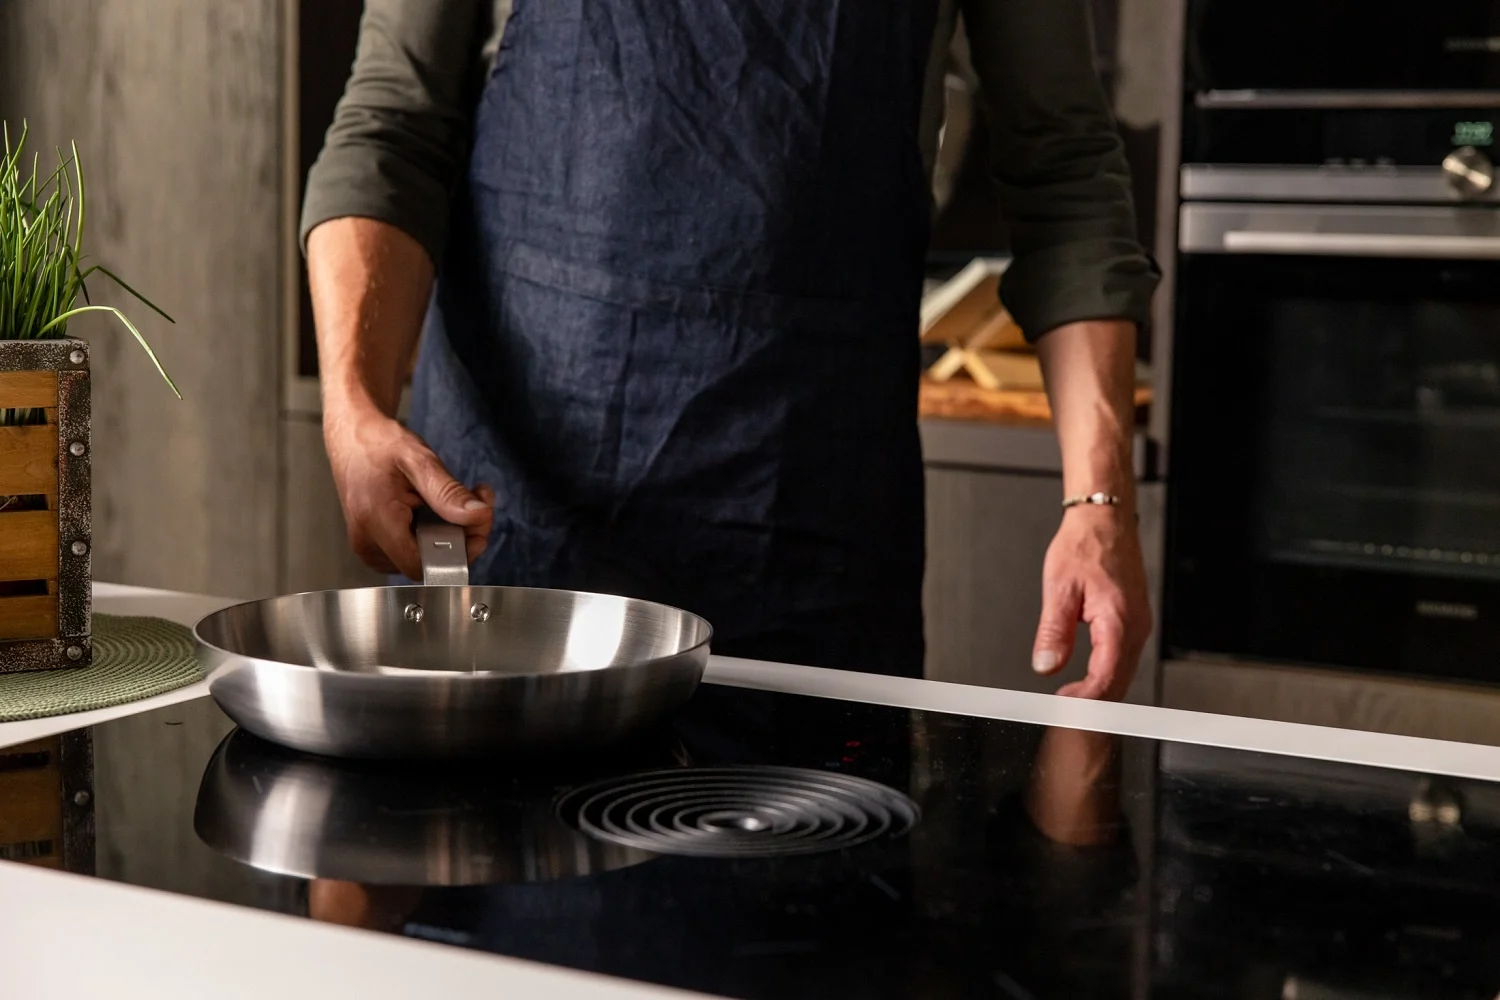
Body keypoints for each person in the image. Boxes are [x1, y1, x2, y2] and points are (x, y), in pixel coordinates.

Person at [302, 0, 1159, 696]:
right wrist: (354, 406)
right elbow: (394, 125)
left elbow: (1064, 171)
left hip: (808, 560)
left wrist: (1098, 501)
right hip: (514, 553)